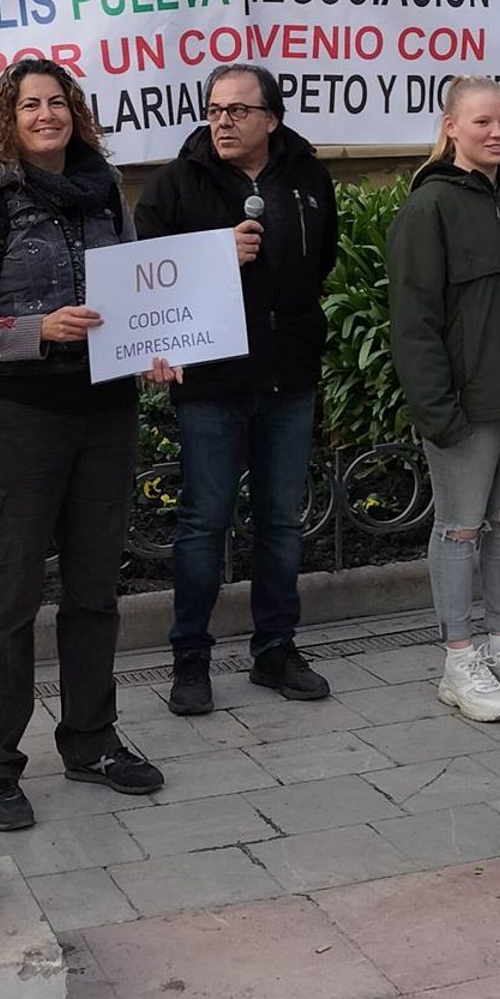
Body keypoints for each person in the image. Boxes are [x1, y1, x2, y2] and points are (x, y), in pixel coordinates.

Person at [0, 58, 165, 832]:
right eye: (29, 104)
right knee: (7, 600)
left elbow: (139, 301)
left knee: (96, 590)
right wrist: (39, 329)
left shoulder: (107, 193)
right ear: (6, 117)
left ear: (76, 112)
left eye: (56, 102)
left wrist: (156, 347)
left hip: (105, 413)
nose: (45, 115)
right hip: (18, 419)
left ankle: (91, 742)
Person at [136, 64, 340, 716]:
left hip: (289, 375)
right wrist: (213, 253)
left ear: (271, 120)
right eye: (215, 109)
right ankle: (190, 658)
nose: (222, 121)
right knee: (204, 523)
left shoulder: (308, 177)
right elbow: (148, 275)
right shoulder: (176, 184)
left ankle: (275, 649)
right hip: (213, 382)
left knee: (282, 522)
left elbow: (324, 258)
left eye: (238, 111)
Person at [387, 77, 500, 721]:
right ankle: (459, 658)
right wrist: (438, 409)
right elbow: (414, 322)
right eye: (483, 121)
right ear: (451, 127)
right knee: (459, 528)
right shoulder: (427, 208)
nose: (498, 132)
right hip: (467, 405)